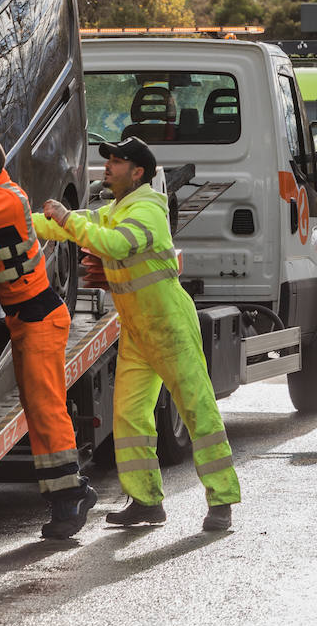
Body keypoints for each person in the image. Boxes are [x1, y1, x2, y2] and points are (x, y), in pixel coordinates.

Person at [34, 135, 240, 532]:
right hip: (138, 331)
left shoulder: (146, 211)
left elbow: (112, 244)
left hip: (170, 326)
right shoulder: (116, 208)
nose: (107, 167)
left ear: (138, 171)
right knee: (129, 417)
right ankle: (146, 500)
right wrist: (10, 220)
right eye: (107, 160)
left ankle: (222, 500)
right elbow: (70, 227)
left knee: (198, 410)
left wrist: (66, 218)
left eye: (116, 162)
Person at [0, 135, 99, 539]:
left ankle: (71, 494)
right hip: (25, 318)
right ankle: (68, 493)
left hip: (40, 317)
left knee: (46, 410)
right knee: (37, 408)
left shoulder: (6, 199)